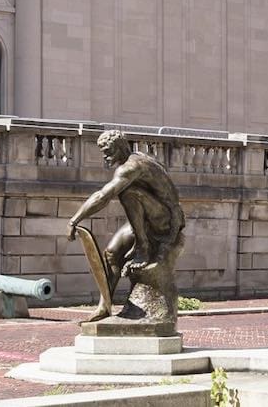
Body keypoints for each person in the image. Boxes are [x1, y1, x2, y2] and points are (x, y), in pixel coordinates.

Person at [66, 130, 186, 323]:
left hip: (167, 221)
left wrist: (75, 220)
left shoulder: (131, 167)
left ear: (120, 147)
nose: (105, 156)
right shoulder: (131, 161)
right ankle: (104, 306)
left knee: (128, 193)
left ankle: (143, 247)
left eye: (108, 151)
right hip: (151, 218)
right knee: (112, 253)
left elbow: (103, 196)